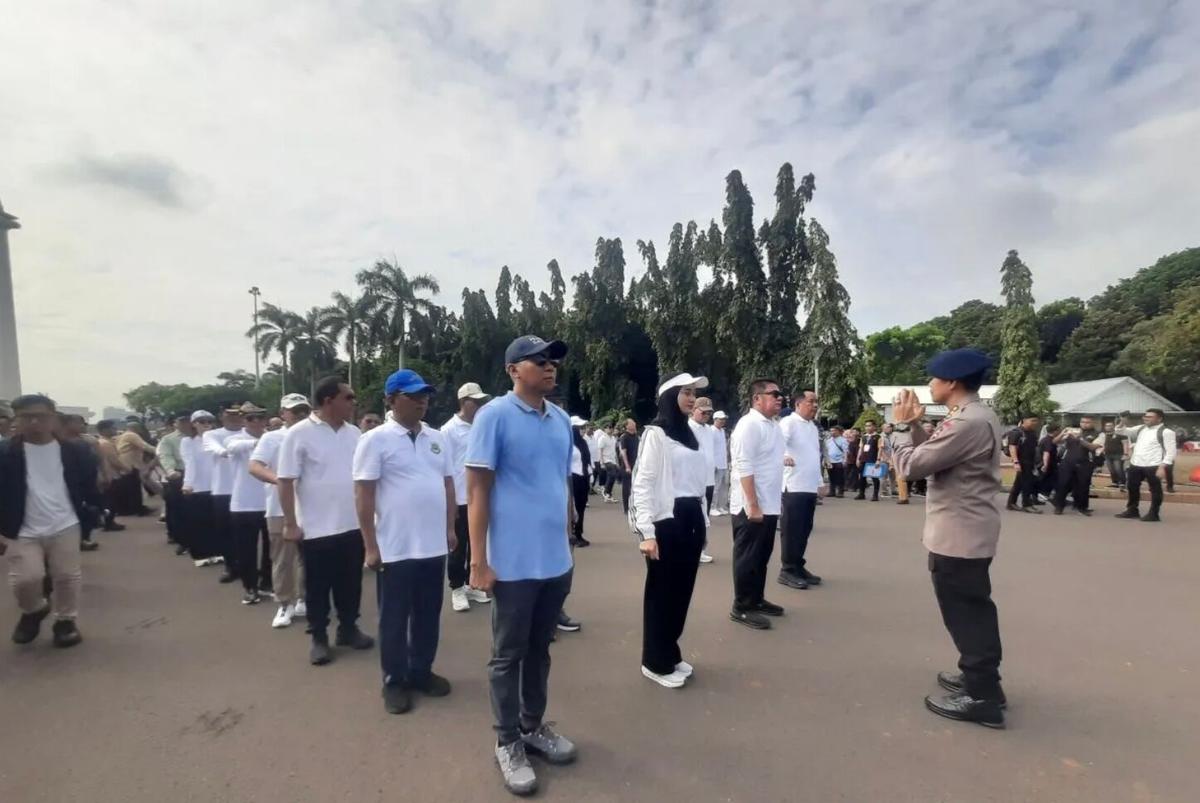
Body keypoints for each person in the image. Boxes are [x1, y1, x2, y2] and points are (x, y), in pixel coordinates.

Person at [466, 334, 578, 796]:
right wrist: (478, 560)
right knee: (506, 655)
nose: (550, 367)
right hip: (511, 564)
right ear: (514, 370)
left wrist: (569, 531)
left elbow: (561, 482)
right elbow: (477, 491)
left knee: (540, 650)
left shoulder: (561, 420)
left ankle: (532, 727)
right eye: (538, 361)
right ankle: (507, 740)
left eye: (552, 361)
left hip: (554, 561)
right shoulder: (493, 416)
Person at [891, 348, 1007, 729]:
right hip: (967, 530)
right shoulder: (973, 416)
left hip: (959, 534)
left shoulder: (966, 423)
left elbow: (910, 466)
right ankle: (981, 680)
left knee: (966, 613)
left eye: (934, 378)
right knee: (971, 609)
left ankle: (982, 696)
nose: (930, 385)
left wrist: (899, 428)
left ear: (952, 383)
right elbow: (937, 454)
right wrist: (917, 427)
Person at [355, 369, 456, 715]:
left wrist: (450, 528)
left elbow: (447, 484)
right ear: (391, 399)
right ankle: (394, 680)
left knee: (429, 615)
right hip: (395, 547)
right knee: (394, 618)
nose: (421, 401)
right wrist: (370, 545)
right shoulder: (375, 440)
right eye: (412, 395)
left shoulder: (437, 437)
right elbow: (364, 494)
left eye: (425, 395)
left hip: (432, 545)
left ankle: (421, 671)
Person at [277, 377, 374, 666]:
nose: (353, 402)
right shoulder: (299, 434)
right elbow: (284, 481)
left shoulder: (354, 433)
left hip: (352, 524)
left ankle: (348, 628)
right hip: (316, 528)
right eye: (349, 397)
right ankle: (319, 637)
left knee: (350, 582)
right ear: (329, 400)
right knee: (317, 586)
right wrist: (290, 523)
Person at [1, 394, 102, 648]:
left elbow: (89, 484)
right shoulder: (5, 453)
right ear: (16, 420)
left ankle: (66, 621)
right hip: (20, 527)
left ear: (53, 419)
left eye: (41, 416)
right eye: (27, 417)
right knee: (26, 579)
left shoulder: (75, 450)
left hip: (65, 523)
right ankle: (33, 610)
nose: (35, 422)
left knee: (67, 576)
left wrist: (95, 509)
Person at [630, 373, 709, 688]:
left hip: (690, 517)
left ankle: (670, 652)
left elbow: (697, 484)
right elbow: (643, 483)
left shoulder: (691, 435)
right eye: (685, 393)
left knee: (681, 593)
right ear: (669, 397)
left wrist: (702, 524)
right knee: (661, 594)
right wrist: (647, 532)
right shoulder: (656, 434)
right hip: (667, 520)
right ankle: (654, 661)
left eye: (693, 394)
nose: (691, 399)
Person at [728, 378, 786, 631]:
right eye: (773, 394)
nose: (779, 398)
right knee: (747, 558)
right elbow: (744, 465)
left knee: (761, 557)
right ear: (757, 399)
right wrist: (752, 504)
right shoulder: (749, 425)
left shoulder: (772, 425)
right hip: (751, 506)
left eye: (780, 394)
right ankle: (741, 607)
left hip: (770, 503)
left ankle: (756, 599)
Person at [249, 394, 310, 629]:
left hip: (310, 506)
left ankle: (304, 597)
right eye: (294, 411)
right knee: (282, 557)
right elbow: (254, 466)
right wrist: (281, 480)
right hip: (279, 506)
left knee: (308, 557)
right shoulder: (272, 438)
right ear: (283, 413)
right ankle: (285, 603)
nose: (299, 415)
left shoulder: (315, 434)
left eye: (303, 410)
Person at [440, 382, 493, 611]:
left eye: (482, 401)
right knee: (457, 547)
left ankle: (473, 585)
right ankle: (457, 588)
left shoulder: (482, 427)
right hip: (460, 499)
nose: (480, 405)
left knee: (477, 544)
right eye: (476, 401)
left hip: (481, 497)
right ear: (463, 402)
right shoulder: (448, 430)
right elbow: (444, 470)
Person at [227, 403, 272, 605]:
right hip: (243, 503)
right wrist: (262, 442)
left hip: (269, 501)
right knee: (246, 550)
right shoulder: (235, 439)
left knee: (271, 549)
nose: (256, 422)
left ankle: (267, 583)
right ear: (243, 420)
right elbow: (232, 448)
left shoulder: (271, 437)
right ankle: (250, 587)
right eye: (250, 418)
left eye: (260, 418)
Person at [778, 390, 824, 590]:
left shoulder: (812, 427)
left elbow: (815, 455)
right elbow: (776, 444)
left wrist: (820, 481)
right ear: (798, 403)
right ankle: (787, 570)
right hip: (793, 485)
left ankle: (798, 565)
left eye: (816, 402)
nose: (814, 405)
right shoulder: (788, 423)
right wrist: (784, 456)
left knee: (805, 529)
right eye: (810, 401)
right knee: (792, 530)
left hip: (809, 485)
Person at [203, 405, 245, 583]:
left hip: (245, 490)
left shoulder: (250, 433)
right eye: (230, 415)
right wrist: (229, 451)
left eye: (238, 415)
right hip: (223, 489)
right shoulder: (212, 435)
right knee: (225, 531)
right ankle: (231, 566)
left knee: (245, 534)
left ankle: (247, 566)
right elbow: (216, 449)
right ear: (222, 417)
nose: (234, 418)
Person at [1114, 408, 1177, 523]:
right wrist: (1122, 421)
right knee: (1132, 487)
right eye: (1145, 416)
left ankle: (1154, 514)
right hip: (1136, 463)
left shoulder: (1166, 432)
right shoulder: (1141, 428)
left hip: (1153, 464)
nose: (1145, 418)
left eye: (1149, 417)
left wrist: (1162, 467)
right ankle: (1132, 510)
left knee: (1155, 489)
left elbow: (1171, 452)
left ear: (1159, 419)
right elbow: (1120, 431)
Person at [180, 411, 219, 566]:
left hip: (217, 486)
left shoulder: (218, 439)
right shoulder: (188, 442)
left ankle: (218, 551)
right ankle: (201, 554)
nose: (206, 425)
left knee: (216, 521)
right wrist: (187, 483)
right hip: (198, 486)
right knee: (200, 522)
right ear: (194, 424)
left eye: (208, 421)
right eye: (201, 422)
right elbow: (190, 463)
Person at [1053, 417, 1103, 516]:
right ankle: (1059, 506)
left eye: (1087, 422)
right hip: (1068, 461)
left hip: (1085, 462)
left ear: (1093, 423)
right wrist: (1062, 433)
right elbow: (1055, 441)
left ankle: (1082, 507)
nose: (1085, 424)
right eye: (1082, 422)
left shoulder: (1099, 434)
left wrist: (1079, 438)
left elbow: (1093, 447)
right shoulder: (1071, 432)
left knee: (1083, 485)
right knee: (1063, 483)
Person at [156, 413, 190, 551]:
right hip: (178, 474)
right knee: (177, 508)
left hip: (199, 476)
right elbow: (165, 456)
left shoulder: (203, 437)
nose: (185, 424)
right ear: (175, 423)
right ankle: (179, 538)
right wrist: (170, 471)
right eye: (181, 421)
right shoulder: (168, 439)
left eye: (187, 421)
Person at [114, 420, 158, 515]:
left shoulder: (122, 435)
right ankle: (138, 508)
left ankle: (128, 508)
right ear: (136, 428)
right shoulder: (132, 435)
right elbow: (144, 446)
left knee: (128, 487)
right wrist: (160, 451)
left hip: (124, 462)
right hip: (131, 463)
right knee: (134, 487)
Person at [1004, 415, 1041, 513]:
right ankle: (1027, 504)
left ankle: (1011, 503)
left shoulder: (1032, 433)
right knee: (1027, 483)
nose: (1035, 423)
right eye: (1032, 420)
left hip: (1030, 461)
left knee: (1019, 483)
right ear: (1024, 420)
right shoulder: (1017, 432)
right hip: (1022, 461)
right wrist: (1016, 462)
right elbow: (1012, 447)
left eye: (1036, 421)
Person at [569, 416, 592, 548]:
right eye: (578, 428)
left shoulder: (583, 442)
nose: (582, 430)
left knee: (581, 507)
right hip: (573, 477)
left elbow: (587, 459)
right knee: (573, 507)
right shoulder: (567, 443)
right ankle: (572, 534)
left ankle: (579, 533)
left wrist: (590, 473)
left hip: (583, 476)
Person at [855, 421, 883, 501]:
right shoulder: (864, 437)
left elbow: (880, 449)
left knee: (874, 477)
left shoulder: (878, 437)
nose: (867, 427)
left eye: (869, 426)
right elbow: (861, 448)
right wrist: (858, 458)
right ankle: (861, 493)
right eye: (866, 426)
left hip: (872, 459)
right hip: (863, 459)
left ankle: (875, 495)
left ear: (874, 427)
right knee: (862, 477)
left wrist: (878, 460)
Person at [618, 418, 639, 515]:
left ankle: (635, 506)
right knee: (626, 487)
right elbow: (623, 452)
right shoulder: (624, 437)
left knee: (636, 487)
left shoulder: (636, 437)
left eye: (634, 422)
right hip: (627, 466)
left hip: (636, 465)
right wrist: (627, 466)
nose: (634, 423)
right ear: (627, 426)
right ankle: (626, 508)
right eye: (632, 423)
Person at [711, 411, 730, 514]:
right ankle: (712, 507)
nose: (723, 421)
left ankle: (721, 506)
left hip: (723, 463)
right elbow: (710, 448)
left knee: (724, 486)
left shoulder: (722, 431)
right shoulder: (711, 430)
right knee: (716, 486)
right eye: (721, 419)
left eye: (724, 419)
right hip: (716, 463)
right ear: (715, 419)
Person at [1038, 424, 1062, 501]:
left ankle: (1052, 495)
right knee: (1049, 480)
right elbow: (1046, 453)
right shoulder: (1048, 441)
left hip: (1051, 464)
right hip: (1049, 464)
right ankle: (1044, 494)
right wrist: (1045, 464)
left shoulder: (1047, 439)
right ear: (1055, 431)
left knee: (1052, 480)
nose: (1060, 431)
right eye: (1059, 430)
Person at [1100, 421, 1127, 489]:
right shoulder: (1103, 435)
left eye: (1110, 425)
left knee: (1118, 469)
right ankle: (1114, 482)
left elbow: (1125, 444)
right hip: (1108, 455)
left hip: (1118, 455)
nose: (1108, 427)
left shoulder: (1120, 435)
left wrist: (1125, 453)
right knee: (1111, 470)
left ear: (1113, 426)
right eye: (1107, 426)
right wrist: (1101, 451)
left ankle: (1122, 483)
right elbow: (1102, 444)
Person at [825, 426, 848, 498]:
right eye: (831, 431)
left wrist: (845, 460)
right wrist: (825, 460)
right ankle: (832, 491)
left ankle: (840, 492)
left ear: (838, 431)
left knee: (840, 477)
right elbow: (826, 451)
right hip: (830, 461)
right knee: (831, 477)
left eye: (834, 431)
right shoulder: (828, 440)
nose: (832, 432)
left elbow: (846, 451)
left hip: (839, 461)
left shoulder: (843, 440)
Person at [598, 425, 619, 502]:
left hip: (612, 459)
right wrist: (601, 462)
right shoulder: (602, 438)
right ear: (605, 429)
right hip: (606, 459)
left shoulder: (613, 438)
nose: (610, 429)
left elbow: (614, 451)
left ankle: (608, 494)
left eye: (611, 428)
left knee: (613, 476)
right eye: (608, 428)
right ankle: (606, 491)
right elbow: (600, 451)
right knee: (612, 474)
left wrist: (617, 461)